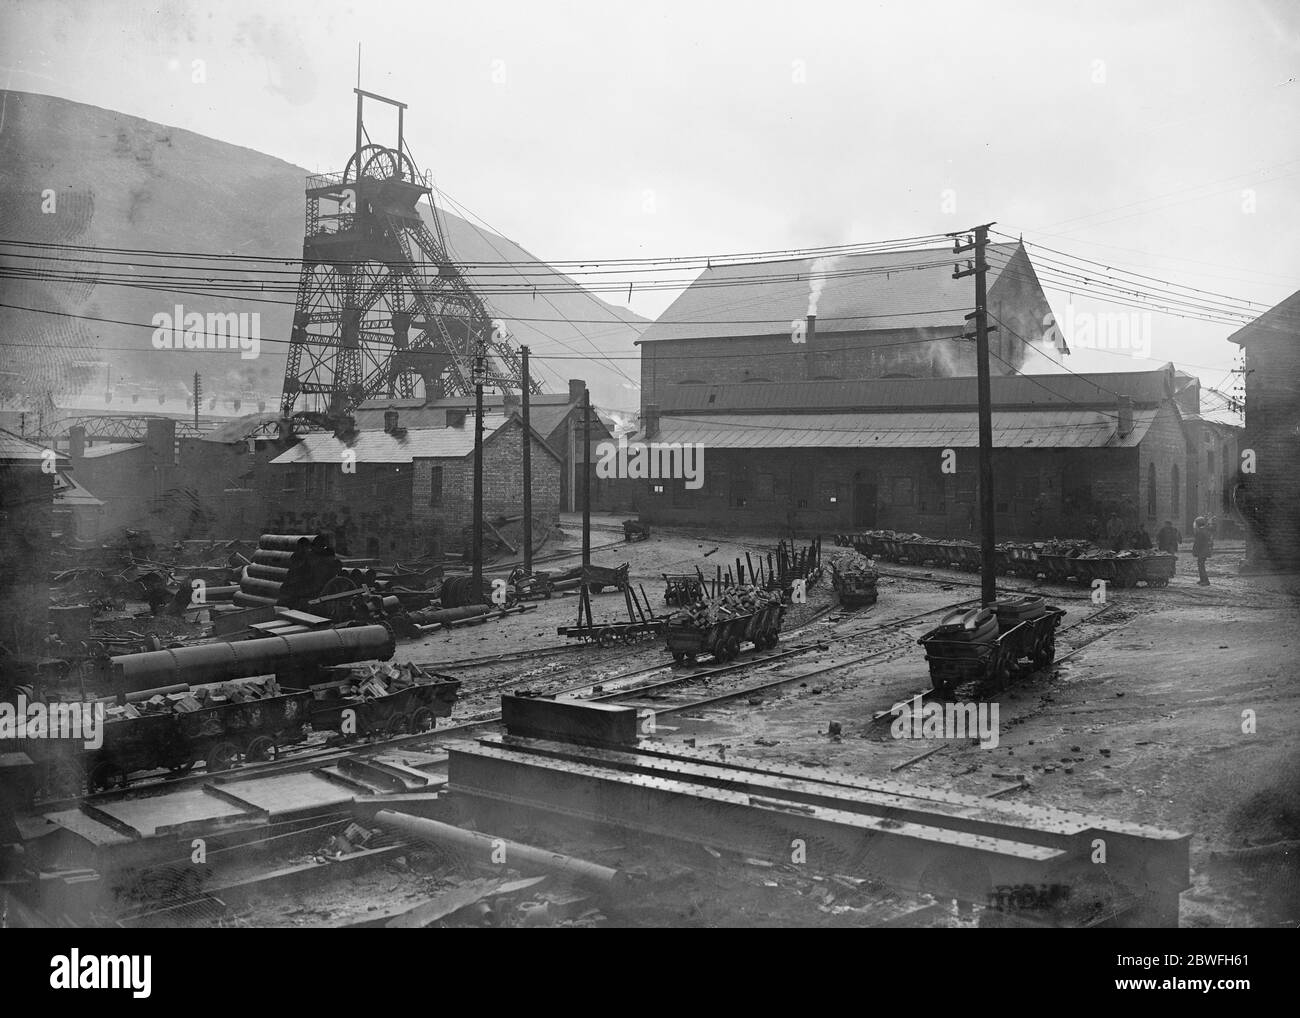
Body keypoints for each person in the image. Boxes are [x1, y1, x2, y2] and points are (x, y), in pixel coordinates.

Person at [1192, 516, 1213, 585]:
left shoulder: (1200, 532)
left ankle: (1205, 581)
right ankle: (1202, 580)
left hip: (1202, 551)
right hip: (1205, 551)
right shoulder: (1206, 530)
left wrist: (1194, 552)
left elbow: (1198, 543)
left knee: (1201, 566)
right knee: (1201, 565)